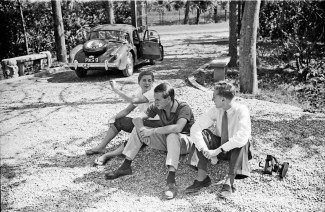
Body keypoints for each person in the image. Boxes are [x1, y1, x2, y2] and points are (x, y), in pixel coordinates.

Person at [105, 83, 195, 200]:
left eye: (158, 99)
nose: (155, 102)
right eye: (155, 98)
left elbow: (178, 128)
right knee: (137, 129)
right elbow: (137, 119)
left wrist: (153, 131)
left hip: (185, 144)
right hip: (167, 142)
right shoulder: (157, 106)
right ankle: (125, 167)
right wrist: (142, 130)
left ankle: (171, 181)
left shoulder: (183, 107)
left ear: (168, 99)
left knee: (173, 135)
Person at [185, 81, 252, 198]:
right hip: (219, 144)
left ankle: (230, 181)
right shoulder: (216, 109)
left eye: (214, 96)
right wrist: (205, 150)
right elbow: (196, 128)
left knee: (242, 140)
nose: (212, 99)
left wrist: (216, 151)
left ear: (223, 99)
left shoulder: (242, 110)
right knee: (203, 133)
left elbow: (241, 137)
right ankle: (202, 178)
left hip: (237, 150)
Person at [85, 71, 161, 165]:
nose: (147, 83)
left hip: (155, 125)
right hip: (144, 124)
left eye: (150, 80)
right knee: (119, 121)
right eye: (144, 80)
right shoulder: (140, 93)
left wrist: (116, 89)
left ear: (153, 82)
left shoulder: (153, 92)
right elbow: (126, 111)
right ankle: (101, 147)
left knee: (134, 138)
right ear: (139, 82)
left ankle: (107, 155)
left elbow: (132, 100)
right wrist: (114, 118)